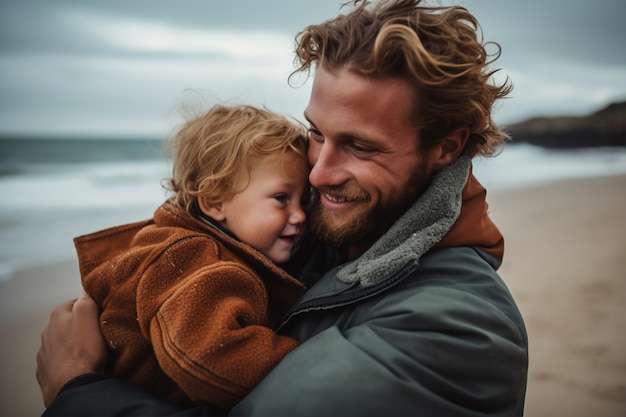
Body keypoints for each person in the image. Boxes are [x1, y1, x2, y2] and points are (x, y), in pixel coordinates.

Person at [36, 0, 529, 416]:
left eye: (360, 146)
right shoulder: (317, 237)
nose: (318, 173)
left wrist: (75, 389)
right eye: (316, 133)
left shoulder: (462, 330)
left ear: (445, 147)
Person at [61, 104, 311, 411]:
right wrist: (310, 360)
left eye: (305, 199)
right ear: (215, 203)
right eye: (281, 198)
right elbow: (208, 356)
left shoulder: (188, 244)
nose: (300, 215)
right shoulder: (193, 258)